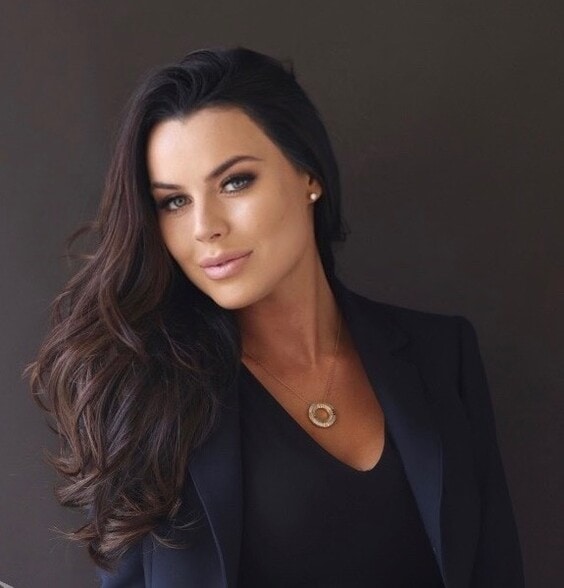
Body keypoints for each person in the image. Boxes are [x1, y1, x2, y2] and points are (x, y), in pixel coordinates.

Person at [28, 46, 524, 587]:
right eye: (174, 202)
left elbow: (495, 567)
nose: (205, 227)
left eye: (234, 181)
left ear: (308, 173)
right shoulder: (146, 393)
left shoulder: (442, 353)